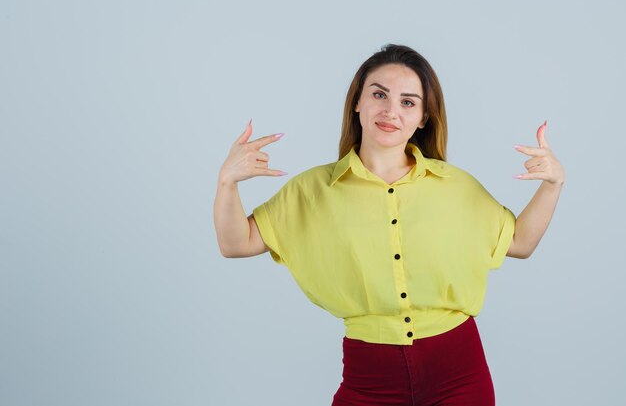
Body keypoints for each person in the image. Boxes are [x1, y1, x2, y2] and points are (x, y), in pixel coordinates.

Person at [214, 44, 564, 406]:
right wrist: (228, 182)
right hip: (369, 379)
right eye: (379, 94)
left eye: (408, 102)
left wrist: (552, 184)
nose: (391, 111)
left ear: (424, 117)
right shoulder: (311, 190)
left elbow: (520, 243)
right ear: (357, 102)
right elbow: (236, 244)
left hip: (459, 375)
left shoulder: (456, 186)